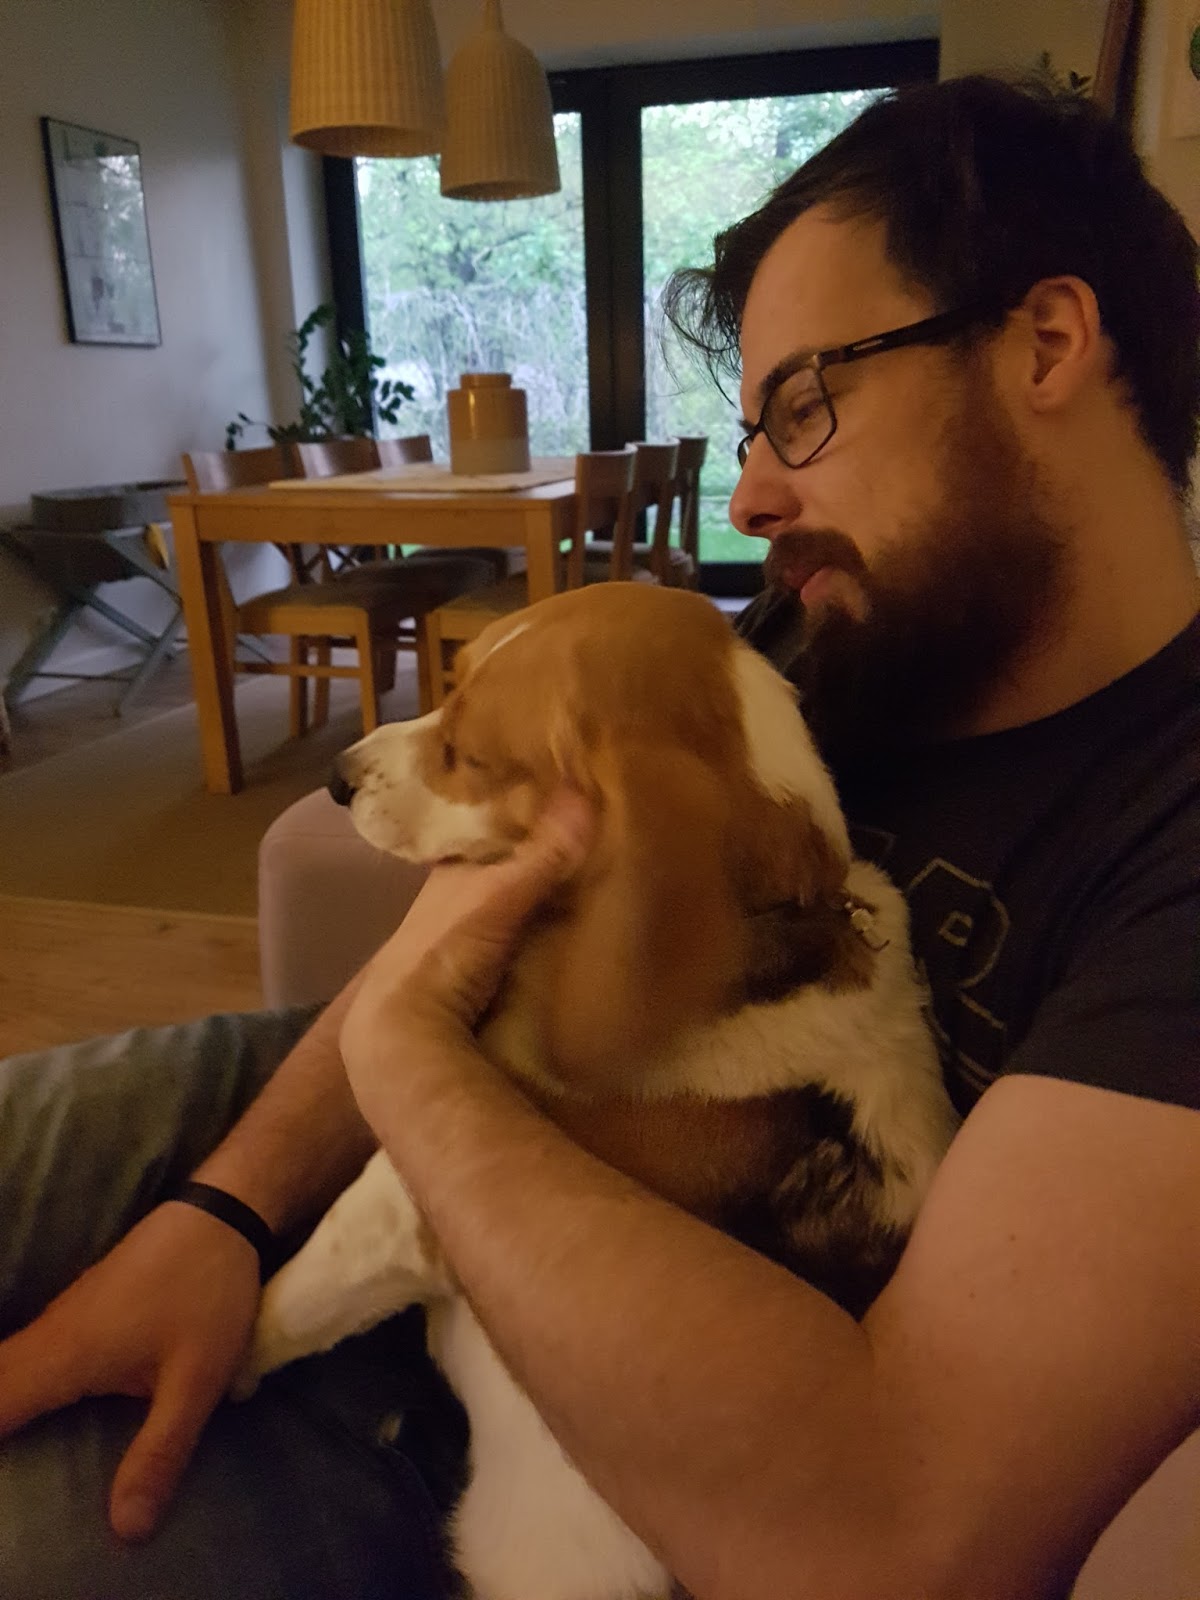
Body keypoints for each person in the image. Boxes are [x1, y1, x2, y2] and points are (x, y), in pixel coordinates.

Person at [1, 73, 1197, 1600]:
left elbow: (904, 1530)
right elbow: (473, 916)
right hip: (420, 1125)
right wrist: (225, 1209)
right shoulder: (833, 634)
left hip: (573, 1429)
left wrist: (411, 1074)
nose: (751, 495)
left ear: (1047, 344)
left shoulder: (1169, 841)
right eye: (755, 427)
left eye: (807, 405)